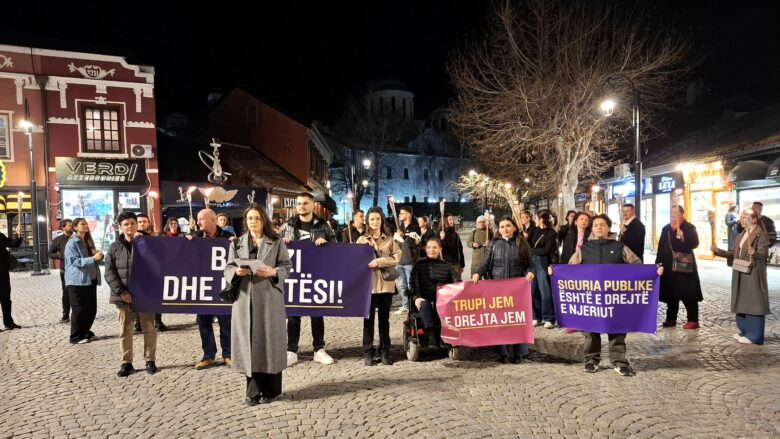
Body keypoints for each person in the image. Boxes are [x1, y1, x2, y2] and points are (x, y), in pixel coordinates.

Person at [554, 214, 663, 376]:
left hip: (615, 299)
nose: (599, 227)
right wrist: (555, 272)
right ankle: (591, 360)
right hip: (592, 299)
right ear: (592, 228)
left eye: (603, 224)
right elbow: (570, 269)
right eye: (596, 225)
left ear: (608, 227)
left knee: (617, 330)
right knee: (590, 331)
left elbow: (637, 265)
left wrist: (653, 271)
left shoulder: (620, 247)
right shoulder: (584, 249)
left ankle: (619, 361)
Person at [225, 204, 291, 405]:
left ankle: (271, 390)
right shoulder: (237, 244)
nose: (253, 222)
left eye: (257, 218)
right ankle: (252, 391)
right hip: (245, 300)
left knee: (268, 342)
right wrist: (236, 272)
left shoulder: (277, 242)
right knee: (249, 343)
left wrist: (273, 272)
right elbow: (228, 267)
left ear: (264, 220)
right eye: (250, 218)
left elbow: (286, 267)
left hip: (269, 300)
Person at [279, 192, 337, 366]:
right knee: (293, 314)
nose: (301, 206)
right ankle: (291, 350)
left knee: (316, 312)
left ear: (313, 205)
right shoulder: (287, 226)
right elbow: (274, 248)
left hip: (316, 274)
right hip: (294, 276)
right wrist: (282, 242)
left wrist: (325, 242)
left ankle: (319, 349)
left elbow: (337, 248)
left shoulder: (323, 225)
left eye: (305, 203)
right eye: (299, 204)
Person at [472, 216, 535, 363]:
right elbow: (485, 263)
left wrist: (530, 272)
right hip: (497, 288)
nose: (504, 229)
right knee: (500, 320)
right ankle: (502, 351)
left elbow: (529, 264)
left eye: (507, 226)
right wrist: (478, 272)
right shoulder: (493, 243)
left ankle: (518, 352)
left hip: (516, 288)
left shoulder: (521, 243)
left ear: (514, 227)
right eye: (501, 227)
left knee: (517, 320)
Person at [104, 211, 158, 377]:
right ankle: (127, 362)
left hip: (145, 295)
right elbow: (109, 272)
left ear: (137, 224)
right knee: (125, 330)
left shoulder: (147, 244)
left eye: (132, 223)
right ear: (120, 227)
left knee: (149, 328)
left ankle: (150, 360)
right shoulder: (114, 247)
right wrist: (121, 292)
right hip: (123, 296)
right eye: (126, 224)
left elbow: (159, 264)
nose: (129, 227)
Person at [712, 209, 770, 345]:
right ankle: (744, 331)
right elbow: (733, 253)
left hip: (753, 274)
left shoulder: (760, 234)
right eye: (742, 218)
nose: (742, 220)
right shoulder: (741, 235)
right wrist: (718, 251)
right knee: (741, 300)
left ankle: (755, 336)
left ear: (754, 220)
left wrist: (754, 253)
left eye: (746, 218)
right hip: (740, 271)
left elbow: (763, 255)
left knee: (753, 303)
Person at [190, 208, 235, 369]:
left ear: (213, 221)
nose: (198, 222)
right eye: (198, 219)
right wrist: (186, 241)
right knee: (203, 323)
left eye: (202, 219)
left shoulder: (227, 238)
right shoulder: (194, 237)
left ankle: (228, 354)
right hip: (202, 288)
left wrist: (235, 244)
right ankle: (208, 355)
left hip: (222, 288)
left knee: (226, 323)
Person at [357, 207, 401, 366]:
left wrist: (379, 261)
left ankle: (385, 351)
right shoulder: (362, 240)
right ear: (367, 222)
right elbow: (355, 261)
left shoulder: (390, 239)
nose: (375, 222)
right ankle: (368, 352)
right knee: (368, 321)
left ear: (382, 221)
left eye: (378, 219)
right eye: (372, 219)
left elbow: (397, 258)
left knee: (384, 320)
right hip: (368, 286)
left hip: (385, 286)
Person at [656, 205, 703, 329]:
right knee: (671, 293)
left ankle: (693, 320)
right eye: (671, 212)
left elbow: (695, 244)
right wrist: (658, 263)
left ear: (682, 214)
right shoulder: (666, 228)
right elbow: (661, 247)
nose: (673, 215)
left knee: (688, 293)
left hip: (684, 265)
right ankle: (671, 318)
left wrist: (683, 237)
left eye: (676, 212)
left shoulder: (689, 227)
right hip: (668, 265)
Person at [409, 237, 460, 350]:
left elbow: (457, 283)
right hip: (423, 298)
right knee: (425, 303)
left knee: (443, 304)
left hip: (442, 299)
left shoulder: (447, 266)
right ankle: (431, 335)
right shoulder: (418, 266)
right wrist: (416, 297)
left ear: (440, 249)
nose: (432, 250)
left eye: (435, 247)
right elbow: (414, 284)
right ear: (425, 249)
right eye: (429, 247)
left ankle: (443, 336)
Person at [64, 218, 104, 344]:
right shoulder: (72, 242)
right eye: (82, 224)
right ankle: (75, 336)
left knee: (91, 308)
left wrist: (98, 256)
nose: (86, 226)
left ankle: (86, 331)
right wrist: (92, 258)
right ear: (75, 227)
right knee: (79, 309)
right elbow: (74, 261)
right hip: (77, 281)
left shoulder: (87, 241)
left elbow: (93, 259)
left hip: (90, 279)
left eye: (86, 224)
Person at [528, 210, 557, 328]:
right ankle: (536, 316)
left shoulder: (551, 233)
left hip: (543, 262)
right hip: (532, 262)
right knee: (532, 290)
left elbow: (546, 250)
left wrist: (532, 250)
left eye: (536, 218)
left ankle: (549, 317)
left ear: (541, 219)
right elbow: (528, 244)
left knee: (545, 291)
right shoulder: (534, 230)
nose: (534, 220)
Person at [394, 206, 422, 315]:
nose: (400, 215)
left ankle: (413, 305)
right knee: (402, 286)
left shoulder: (415, 227)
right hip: (400, 261)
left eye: (402, 213)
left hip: (410, 261)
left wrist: (402, 237)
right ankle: (405, 305)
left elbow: (414, 243)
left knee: (412, 285)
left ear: (409, 215)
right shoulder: (400, 227)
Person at [49, 219, 74, 323]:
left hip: (78, 268)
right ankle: (66, 315)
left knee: (78, 292)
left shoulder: (76, 237)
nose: (71, 227)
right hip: (65, 269)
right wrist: (61, 256)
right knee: (66, 292)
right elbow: (50, 254)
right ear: (63, 227)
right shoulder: (58, 240)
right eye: (69, 225)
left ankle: (78, 314)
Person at [0, 225, 23, 331]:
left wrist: (18, 234)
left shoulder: (0, 236)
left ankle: (9, 323)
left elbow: (14, 244)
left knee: (6, 298)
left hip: (2, 272)